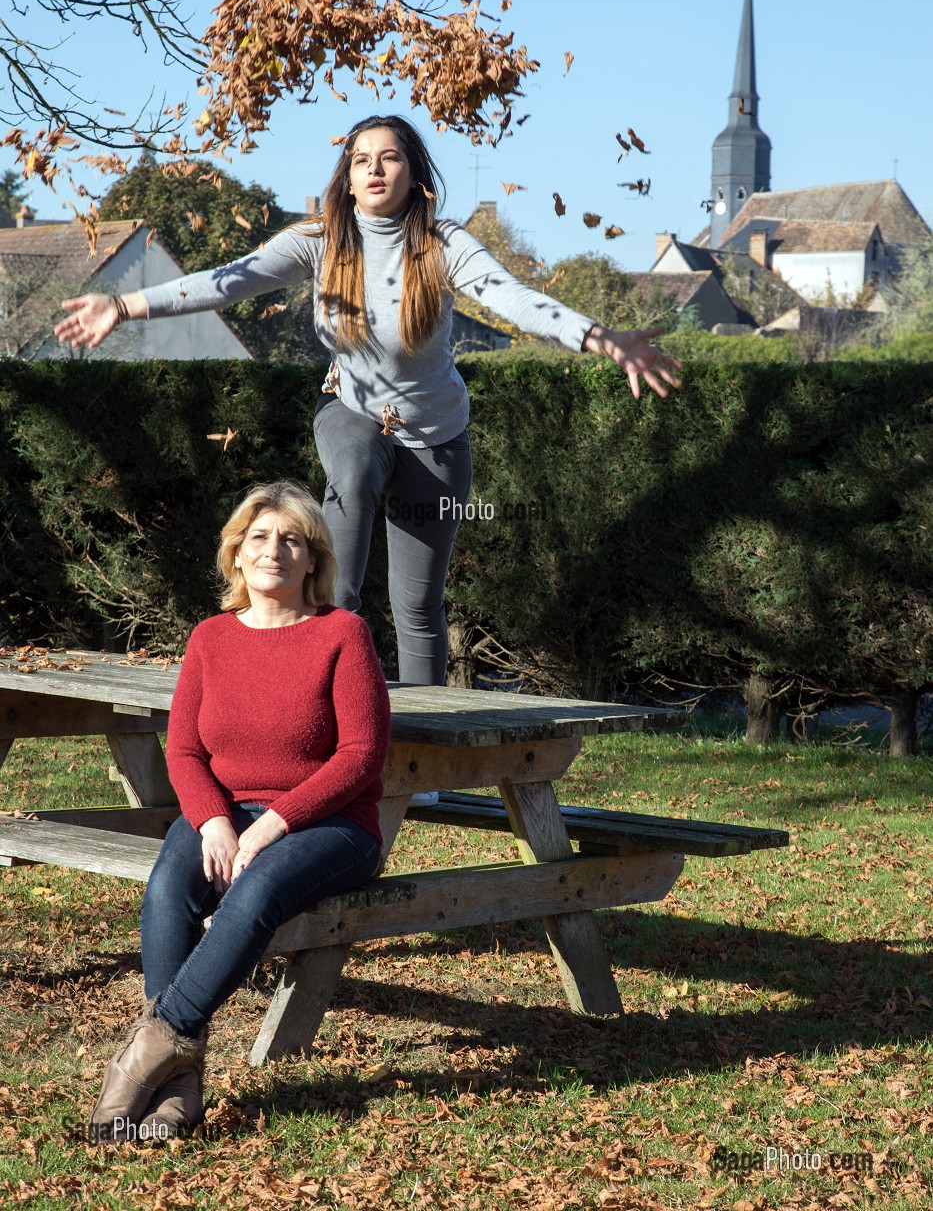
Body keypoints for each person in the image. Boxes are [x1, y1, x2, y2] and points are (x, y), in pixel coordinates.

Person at [56, 115, 681, 689]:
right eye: (361, 160)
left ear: (414, 174)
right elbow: (229, 280)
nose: (375, 169)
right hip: (350, 411)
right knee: (346, 530)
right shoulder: (320, 240)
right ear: (348, 178)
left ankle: (424, 741)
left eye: (390, 158)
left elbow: (512, 298)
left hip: (435, 437)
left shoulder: (443, 244)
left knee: (418, 605)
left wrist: (600, 339)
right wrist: (124, 304)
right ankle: (325, 704)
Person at [88, 480, 391, 1142]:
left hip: (332, 825)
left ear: (313, 559)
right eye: (259, 537)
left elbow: (362, 755)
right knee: (168, 888)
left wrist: (276, 823)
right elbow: (185, 750)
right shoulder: (211, 638)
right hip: (224, 812)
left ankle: (146, 1052)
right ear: (237, 554)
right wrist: (216, 821)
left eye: (291, 540)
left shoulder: (342, 633)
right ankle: (180, 1088)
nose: (273, 550)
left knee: (254, 892)